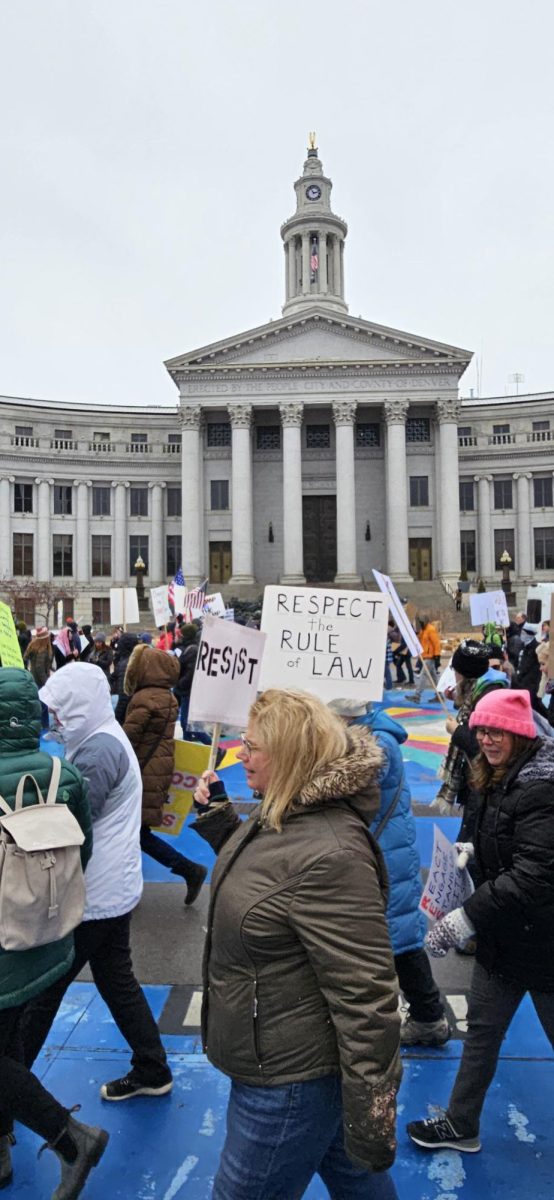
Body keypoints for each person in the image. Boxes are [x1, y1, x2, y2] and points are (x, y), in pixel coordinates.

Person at [193, 688, 401, 1200]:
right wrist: (222, 818)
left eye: (253, 746)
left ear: (288, 757)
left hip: (290, 1081)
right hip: (283, 1059)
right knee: (357, 1184)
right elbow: (271, 885)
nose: (240, 753)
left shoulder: (332, 853)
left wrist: (373, 1112)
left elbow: (367, 998)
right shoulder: (283, 812)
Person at [407, 688, 554, 1154]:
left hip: (546, 942)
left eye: (498, 731)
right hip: (505, 936)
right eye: (482, 730)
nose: (488, 739)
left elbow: (535, 874)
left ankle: (460, 1121)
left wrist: (464, 918)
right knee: (482, 1034)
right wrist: (473, 857)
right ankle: (461, 1123)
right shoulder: (498, 775)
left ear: (521, 733)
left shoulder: (540, 786)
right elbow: (510, 849)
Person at [20, 663, 173, 1104]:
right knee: (116, 981)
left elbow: (69, 821)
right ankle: (152, 1066)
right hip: (110, 887)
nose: (56, 721)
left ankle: (13, 1095)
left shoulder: (99, 751)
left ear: (81, 706)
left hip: (92, 894)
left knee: (44, 992)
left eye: (61, 710)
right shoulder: (99, 736)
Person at [0, 667, 109, 1196]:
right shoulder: (60, 772)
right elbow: (83, 849)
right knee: (9, 1041)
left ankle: (71, 1138)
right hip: (49, 936)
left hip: (2, 944)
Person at [329, 698, 449, 1048]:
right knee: (395, 935)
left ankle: (429, 1017)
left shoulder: (375, 742)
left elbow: (345, 784)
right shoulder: (368, 734)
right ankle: (427, 1015)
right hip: (382, 849)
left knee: (399, 938)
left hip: (384, 854)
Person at [123, 644, 207, 904]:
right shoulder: (166, 696)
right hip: (156, 770)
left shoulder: (145, 698)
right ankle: (129, 884)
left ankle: (187, 869)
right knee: (134, 834)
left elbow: (127, 739)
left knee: (135, 834)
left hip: (143, 772)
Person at [405, 616, 441, 704]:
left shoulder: (430, 629)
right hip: (426, 656)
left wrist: (437, 655)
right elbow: (420, 638)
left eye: (421, 623)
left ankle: (417, 695)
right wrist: (415, 634)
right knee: (434, 677)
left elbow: (436, 643)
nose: (420, 624)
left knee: (423, 675)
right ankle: (440, 695)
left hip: (430, 657)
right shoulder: (424, 630)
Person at [24, 625, 53, 730]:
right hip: (40, 681)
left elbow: (27, 659)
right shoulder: (43, 650)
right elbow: (40, 667)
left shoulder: (33, 646)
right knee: (43, 704)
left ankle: (38, 725)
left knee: (37, 703)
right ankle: (44, 725)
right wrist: (46, 682)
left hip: (34, 678)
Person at [110, 631, 139, 724]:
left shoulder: (126, 664)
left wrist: (116, 719)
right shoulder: (134, 659)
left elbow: (124, 696)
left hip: (128, 712)